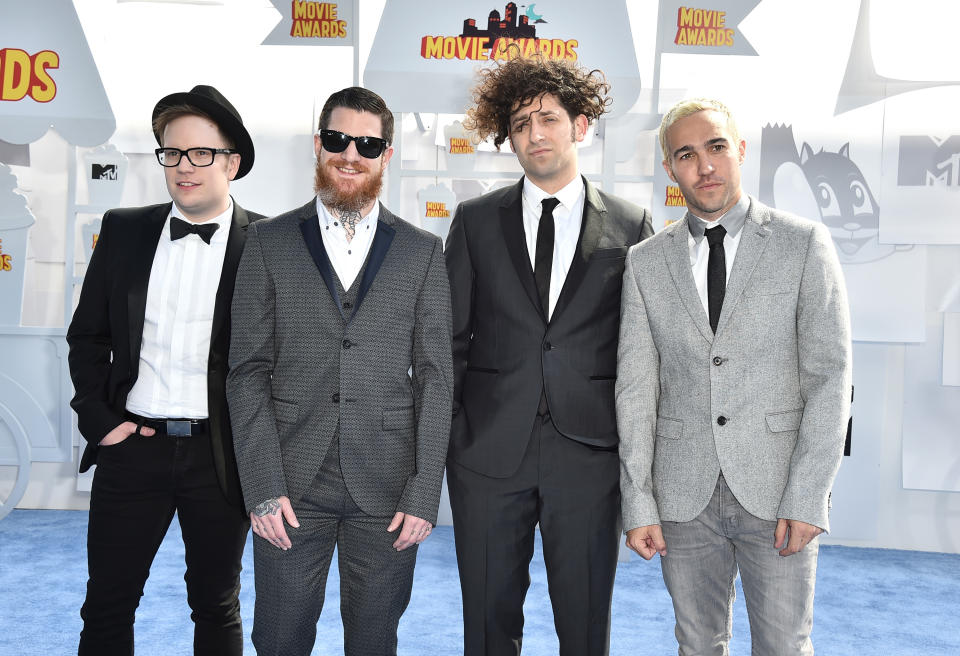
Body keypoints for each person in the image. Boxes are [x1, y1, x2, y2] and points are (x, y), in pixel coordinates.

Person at [617, 98, 853, 655]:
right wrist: (639, 500)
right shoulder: (646, 261)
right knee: (697, 644)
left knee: (782, 646)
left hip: (776, 492)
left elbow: (830, 378)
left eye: (716, 147)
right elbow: (636, 388)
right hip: (682, 495)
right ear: (671, 170)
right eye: (686, 154)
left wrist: (808, 496)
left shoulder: (803, 243)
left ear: (740, 150)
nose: (705, 166)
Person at [226, 86, 452, 656]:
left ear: (387, 155)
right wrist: (262, 487)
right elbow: (246, 371)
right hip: (289, 483)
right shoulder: (267, 242)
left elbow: (435, 376)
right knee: (278, 638)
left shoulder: (423, 251)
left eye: (368, 144)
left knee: (375, 641)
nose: (351, 154)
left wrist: (425, 492)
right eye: (338, 139)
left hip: (388, 487)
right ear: (318, 145)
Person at [444, 55, 653, 656]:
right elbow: (451, 340)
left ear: (580, 126)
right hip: (487, 455)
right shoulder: (476, 221)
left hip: (587, 454)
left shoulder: (632, 225)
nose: (534, 134)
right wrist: (459, 435)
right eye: (518, 124)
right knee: (486, 620)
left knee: (585, 623)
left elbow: (641, 352)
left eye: (548, 119)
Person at [67, 84, 260, 655]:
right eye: (171, 153)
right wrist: (101, 422)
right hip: (133, 447)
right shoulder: (124, 230)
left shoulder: (269, 244)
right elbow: (87, 336)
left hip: (220, 456)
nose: (183, 167)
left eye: (200, 153)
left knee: (216, 601)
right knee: (107, 601)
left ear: (232, 162)